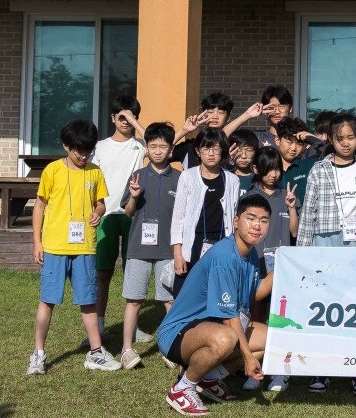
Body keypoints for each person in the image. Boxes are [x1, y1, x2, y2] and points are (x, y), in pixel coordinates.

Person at [157, 193, 276, 417]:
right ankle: (183, 388)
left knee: (270, 339)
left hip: (211, 326)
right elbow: (230, 318)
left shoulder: (249, 253)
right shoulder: (225, 257)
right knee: (226, 338)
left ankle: (208, 379)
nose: (257, 226)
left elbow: (254, 293)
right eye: (250, 218)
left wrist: (279, 270)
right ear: (236, 221)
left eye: (263, 220)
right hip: (178, 333)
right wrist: (248, 358)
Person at [27, 120, 119, 375]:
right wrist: (37, 242)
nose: (83, 156)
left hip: (84, 248)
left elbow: (100, 203)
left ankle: (96, 352)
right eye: (79, 151)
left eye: (88, 151)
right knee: (48, 300)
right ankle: (38, 354)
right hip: (54, 247)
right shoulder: (52, 171)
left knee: (88, 300)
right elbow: (39, 207)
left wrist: (98, 212)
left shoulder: (95, 172)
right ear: (66, 146)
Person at [295, 112, 356, 396]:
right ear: (330, 139)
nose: (345, 143)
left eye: (351, 137)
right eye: (339, 138)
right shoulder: (319, 169)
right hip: (325, 241)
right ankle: (322, 367)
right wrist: (303, 254)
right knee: (325, 307)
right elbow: (308, 213)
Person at [117, 121, 179, 370]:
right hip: (138, 248)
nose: (157, 151)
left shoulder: (180, 178)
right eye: (152, 146)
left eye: (162, 146)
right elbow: (128, 212)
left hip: (169, 250)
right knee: (134, 299)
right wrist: (133, 197)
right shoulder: (138, 176)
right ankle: (126, 349)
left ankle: (172, 348)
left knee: (170, 300)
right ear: (146, 148)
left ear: (171, 149)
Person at [89, 94, 147, 346]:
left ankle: (133, 327)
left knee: (133, 272)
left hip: (132, 213)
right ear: (112, 118)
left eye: (131, 117)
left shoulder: (140, 145)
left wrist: (134, 121)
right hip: (106, 215)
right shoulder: (100, 147)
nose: (125, 121)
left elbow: (156, 141)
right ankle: (99, 324)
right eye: (121, 116)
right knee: (103, 273)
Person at [241, 144, 299, 394]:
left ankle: (280, 372)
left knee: (279, 319)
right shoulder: (249, 198)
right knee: (256, 317)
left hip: (282, 269)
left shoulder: (286, 195)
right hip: (256, 264)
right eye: (268, 169)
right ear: (256, 169)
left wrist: (292, 207)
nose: (274, 174)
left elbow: (295, 232)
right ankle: (256, 370)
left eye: (277, 169)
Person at [170, 127, 242, 298]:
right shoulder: (187, 177)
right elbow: (178, 217)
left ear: (223, 151)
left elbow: (234, 217)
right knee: (186, 296)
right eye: (206, 148)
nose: (211, 153)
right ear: (198, 151)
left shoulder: (232, 180)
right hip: (193, 243)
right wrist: (178, 253)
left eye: (216, 148)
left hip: (221, 242)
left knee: (217, 293)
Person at [223, 85, 293, 149]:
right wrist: (247, 115)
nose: (277, 111)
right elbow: (221, 138)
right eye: (272, 107)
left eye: (281, 106)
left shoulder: (298, 136)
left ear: (290, 108)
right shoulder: (256, 137)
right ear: (265, 109)